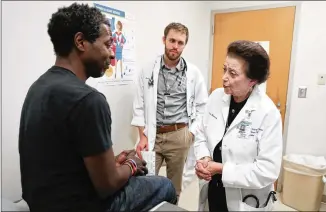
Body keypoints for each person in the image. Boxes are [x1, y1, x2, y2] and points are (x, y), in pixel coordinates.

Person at [18, 3, 177, 212]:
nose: (112, 54)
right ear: (81, 42)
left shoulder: (38, 87)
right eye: (107, 44)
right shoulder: (89, 100)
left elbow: (62, 160)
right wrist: (131, 165)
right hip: (83, 206)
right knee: (165, 186)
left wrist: (112, 162)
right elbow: (107, 185)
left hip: (42, 203)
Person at [194, 40, 283, 211]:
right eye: (224, 69)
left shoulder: (267, 113)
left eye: (233, 73)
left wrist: (221, 169)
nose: (224, 77)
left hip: (244, 199)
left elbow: (267, 170)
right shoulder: (215, 97)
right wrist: (204, 158)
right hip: (213, 188)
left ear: (252, 81)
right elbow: (201, 134)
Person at [131, 22, 208, 201]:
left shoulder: (194, 73)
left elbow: (203, 107)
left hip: (179, 134)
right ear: (164, 40)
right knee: (146, 182)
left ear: (184, 45)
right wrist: (142, 135)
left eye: (180, 42)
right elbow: (139, 105)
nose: (175, 46)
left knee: (175, 186)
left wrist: (191, 133)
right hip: (152, 134)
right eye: (172, 40)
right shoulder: (148, 69)